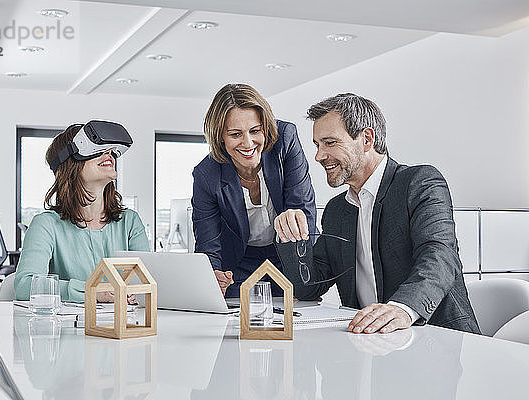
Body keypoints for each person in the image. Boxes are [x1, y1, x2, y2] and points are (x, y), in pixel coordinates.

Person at [274, 93, 480, 334]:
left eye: (330, 143)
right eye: (317, 145)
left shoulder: (419, 182)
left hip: (435, 340)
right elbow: (308, 288)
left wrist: (403, 308)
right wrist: (289, 237)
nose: (319, 156)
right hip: (368, 345)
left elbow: (439, 255)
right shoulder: (336, 210)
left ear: (367, 139)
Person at [192, 83, 317, 297]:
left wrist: (302, 272)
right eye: (235, 134)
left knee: (299, 312)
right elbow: (208, 243)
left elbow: (302, 208)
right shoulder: (206, 175)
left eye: (255, 131)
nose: (248, 143)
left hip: (287, 251)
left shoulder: (285, 139)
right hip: (239, 262)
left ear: (265, 128)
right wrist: (212, 275)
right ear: (220, 136)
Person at [15, 122, 149, 303]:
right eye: (96, 148)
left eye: (110, 149)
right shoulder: (46, 224)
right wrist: (91, 290)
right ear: (70, 163)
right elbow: (25, 286)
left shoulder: (130, 222)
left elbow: (146, 282)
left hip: (126, 325)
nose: (107, 153)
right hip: (69, 328)